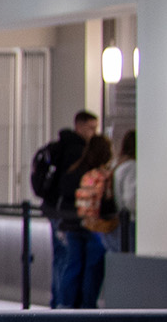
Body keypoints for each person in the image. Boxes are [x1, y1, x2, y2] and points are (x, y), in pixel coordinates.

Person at [35, 113, 94, 307]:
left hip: (54, 210)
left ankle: (58, 302)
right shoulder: (76, 151)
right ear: (79, 126)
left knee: (61, 257)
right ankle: (64, 304)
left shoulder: (58, 147)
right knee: (68, 258)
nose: (93, 133)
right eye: (91, 128)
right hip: (65, 213)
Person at [61, 133, 118, 308]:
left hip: (72, 224)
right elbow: (108, 203)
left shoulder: (74, 170)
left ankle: (67, 304)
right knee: (92, 270)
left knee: (73, 265)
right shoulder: (103, 174)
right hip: (95, 226)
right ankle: (87, 308)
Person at [111, 129, 137, 253]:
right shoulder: (132, 167)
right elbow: (131, 200)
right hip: (129, 222)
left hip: (115, 222)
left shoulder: (117, 165)